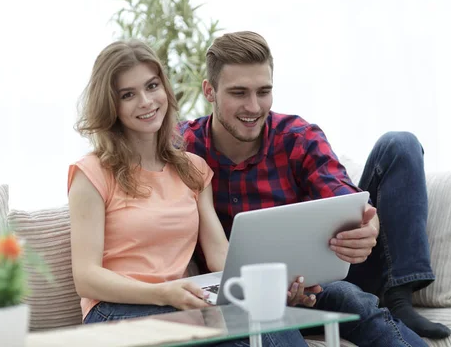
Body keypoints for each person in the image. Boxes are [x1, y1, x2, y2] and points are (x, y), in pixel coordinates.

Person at [180, 31, 451, 344]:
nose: (254, 106)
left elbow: (348, 201)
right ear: (209, 91)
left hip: (316, 280)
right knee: (351, 300)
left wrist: (367, 228)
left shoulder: (297, 137)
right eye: (239, 93)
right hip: (240, 295)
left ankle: (400, 295)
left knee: (400, 145)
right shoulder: (183, 149)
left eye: (264, 91)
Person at [67, 39, 308, 347]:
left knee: (269, 319)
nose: (145, 101)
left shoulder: (192, 168)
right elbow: (86, 277)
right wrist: (161, 293)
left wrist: (268, 283)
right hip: (114, 310)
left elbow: (221, 256)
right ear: (110, 106)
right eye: (128, 94)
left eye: (152, 86)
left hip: (179, 303)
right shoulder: (91, 173)